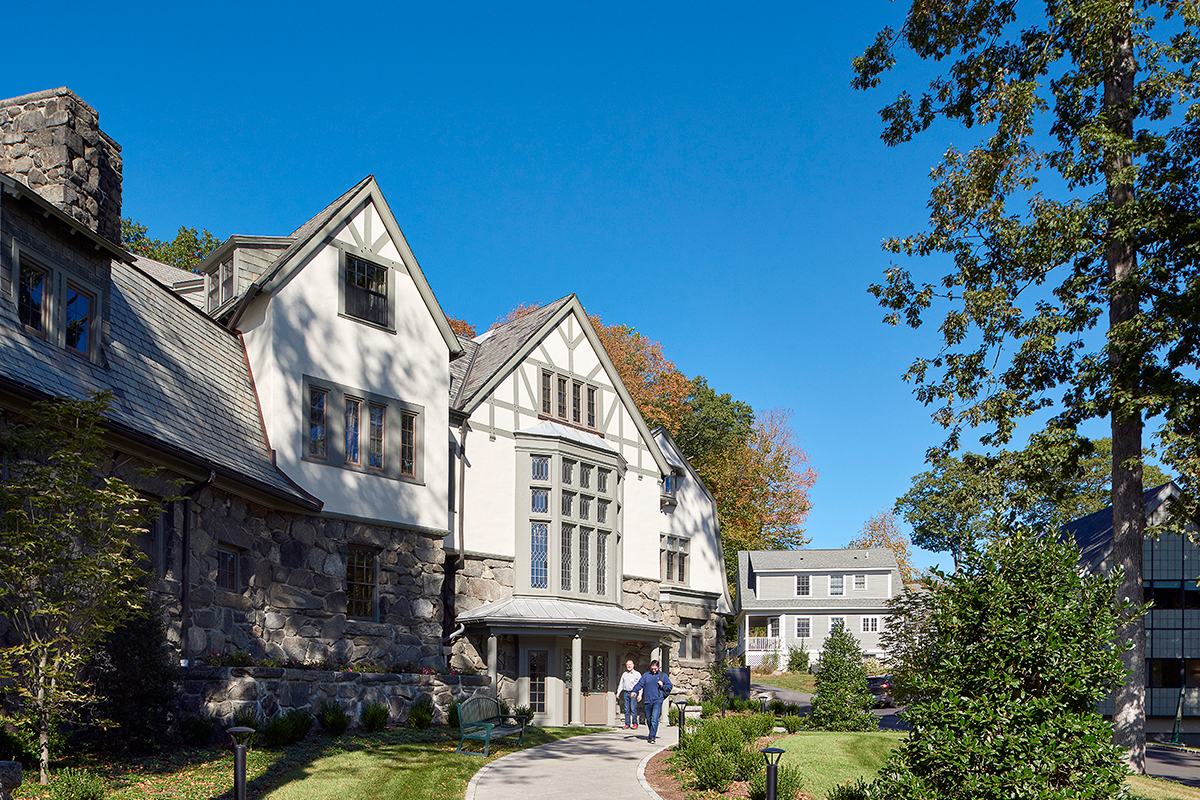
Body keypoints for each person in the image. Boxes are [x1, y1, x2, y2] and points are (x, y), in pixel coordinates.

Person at [633, 659, 672, 743]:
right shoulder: (646, 675)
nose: (654, 670)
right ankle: (652, 732)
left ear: (658, 667)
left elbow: (669, 686)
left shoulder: (663, 676)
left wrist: (663, 685)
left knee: (654, 719)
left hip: (658, 700)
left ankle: (652, 737)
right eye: (652, 668)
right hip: (647, 700)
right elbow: (640, 684)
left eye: (655, 668)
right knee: (649, 720)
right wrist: (634, 691)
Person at [617, 659, 641, 729]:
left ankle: (635, 723)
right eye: (627, 665)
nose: (629, 666)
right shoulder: (624, 674)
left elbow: (640, 685)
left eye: (630, 664)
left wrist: (640, 694)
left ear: (633, 665)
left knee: (633, 709)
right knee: (626, 709)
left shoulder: (637, 674)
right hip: (626, 693)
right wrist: (618, 692)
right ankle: (627, 724)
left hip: (633, 693)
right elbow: (621, 684)